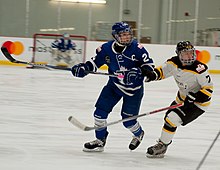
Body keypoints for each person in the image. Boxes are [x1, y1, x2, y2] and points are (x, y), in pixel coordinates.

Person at [71, 22, 155, 152]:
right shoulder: (105, 49)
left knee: (128, 121)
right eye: (123, 35)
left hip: (133, 91)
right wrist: (84, 68)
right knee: (99, 114)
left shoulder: (138, 49)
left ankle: (138, 134)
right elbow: (94, 63)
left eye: (128, 34)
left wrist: (139, 72)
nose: (127, 37)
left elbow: (149, 67)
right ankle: (100, 140)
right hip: (114, 86)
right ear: (115, 36)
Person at [141, 41, 213, 158]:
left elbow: (208, 90)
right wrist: (152, 75)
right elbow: (162, 71)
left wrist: (195, 98)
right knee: (168, 120)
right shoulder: (173, 63)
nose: (189, 56)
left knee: (172, 119)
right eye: (186, 54)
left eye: (191, 53)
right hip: (181, 100)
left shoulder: (200, 69)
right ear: (179, 54)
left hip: (198, 104)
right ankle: (163, 144)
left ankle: (162, 146)